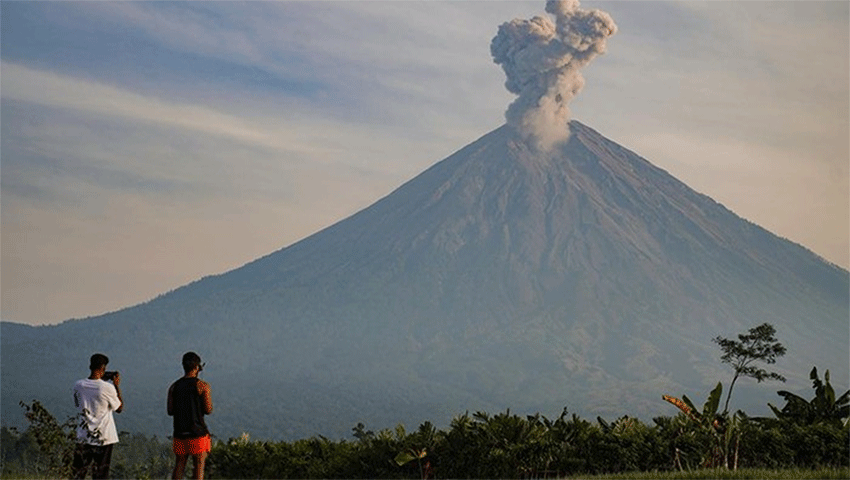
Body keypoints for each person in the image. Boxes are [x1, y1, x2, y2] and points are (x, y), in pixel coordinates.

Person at [72, 353, 124, 479]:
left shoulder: (78, 385)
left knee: (78, 473)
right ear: (103, 368)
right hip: (104, 437)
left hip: (84, 435)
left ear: (90, 366)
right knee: (100, 474)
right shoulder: (107, 387)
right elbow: (119, 408)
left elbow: (77, 404)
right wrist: (116, 386)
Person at [168, 352, 213, 480]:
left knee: (179, 464)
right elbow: (208, 409)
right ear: (197, 367)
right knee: (199, 465)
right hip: (197, 433)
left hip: (180, 432)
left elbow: (170, 410)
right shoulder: (202, 386)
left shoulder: (174, 387)